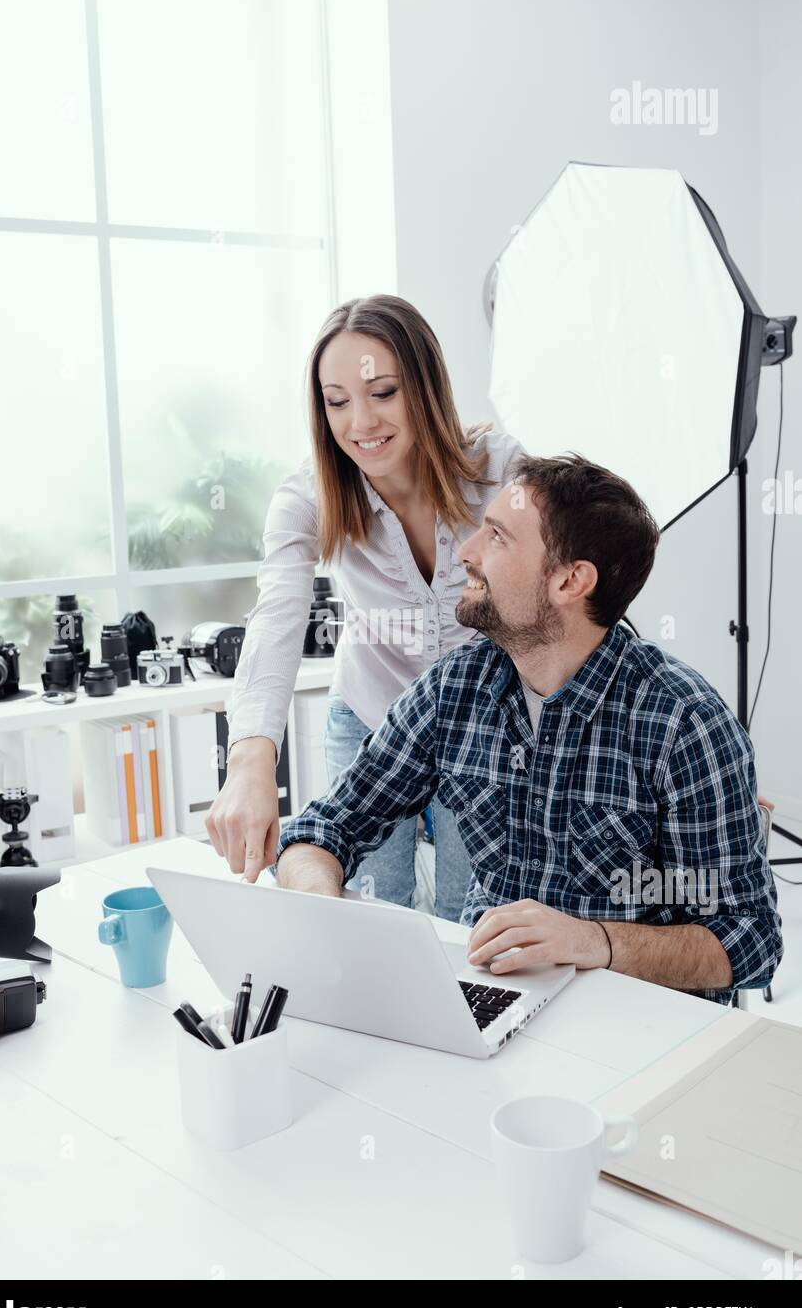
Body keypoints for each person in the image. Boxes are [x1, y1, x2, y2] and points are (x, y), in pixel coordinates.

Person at [276, 454, 783, 1006]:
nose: (466, 553)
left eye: (496, 537)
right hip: (491, 998)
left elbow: (751, 941)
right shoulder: (456, 686)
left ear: (569, 580)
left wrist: (594, 941)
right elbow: (323, 830)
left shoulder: (683, 722)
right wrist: (318, 908)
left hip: (631, 1019)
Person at [205, 294, 524, 920]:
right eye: (337, 400)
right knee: (376, 916)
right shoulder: (307, 498)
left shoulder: (502, 471)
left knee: (475, 922)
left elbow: (574, 594)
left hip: (484, 729)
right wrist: (250, 759)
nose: (360, 422)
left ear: (424, 388)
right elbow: (277, 617)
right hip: (373, 726)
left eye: (383, 392)